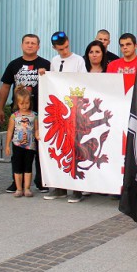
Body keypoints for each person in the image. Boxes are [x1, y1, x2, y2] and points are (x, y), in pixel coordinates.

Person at [0, 34, 50, 194]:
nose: (30, 45)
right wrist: (0, 108)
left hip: (40, 113)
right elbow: (6, 87)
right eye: (27, 42)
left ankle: (41, 181)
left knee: (39, 148)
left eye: (33, 43)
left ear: (38, 46)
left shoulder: (46, 64)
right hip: (19, 113)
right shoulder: (14, 64)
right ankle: (17, 182)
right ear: (22, 45)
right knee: (18, 149)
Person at [43, 31, 87, 203]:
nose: (64, 51)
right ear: (55, 48)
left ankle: (77, 188)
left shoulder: (78, 60)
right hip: (61, 108)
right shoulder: (54, 61)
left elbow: (85, 81)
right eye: (61, 49)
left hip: (75, 108)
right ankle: (59, 187)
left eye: (66, 47)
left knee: (75, 147)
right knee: (60, 147)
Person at [4, 86, 40, 198]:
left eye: (27, 103)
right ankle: (19, 188)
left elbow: (36, 129)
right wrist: (7, 145)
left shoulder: (34, 115)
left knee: (28, 166)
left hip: (30, 145)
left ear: (30, 102)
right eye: (21, 103)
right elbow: (10, 131)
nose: (24, 106)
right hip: (17, 145)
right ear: (17, 103)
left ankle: (27, 188)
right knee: (17, 166)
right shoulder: (14, 116)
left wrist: (37, 135)